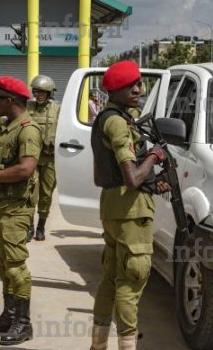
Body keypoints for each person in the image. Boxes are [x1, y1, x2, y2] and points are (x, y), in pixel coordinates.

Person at [88, 60, 170, 350]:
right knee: (131, 281)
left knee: (111, 280)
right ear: (114, 90)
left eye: (137, 84)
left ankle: (98, 346)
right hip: (130, 213)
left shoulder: (107, 118)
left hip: (113, 208)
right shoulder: (119, 123)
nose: (136, 89)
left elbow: (102, 177)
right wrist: (155, 157)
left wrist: (152, 183)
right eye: (128, 86)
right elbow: (132, 178)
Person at [0, 76, 41, 346]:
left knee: (15, 267)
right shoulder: (7, 128)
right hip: (0, 206)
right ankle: (9, 315)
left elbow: (26, 168)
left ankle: (23, 324)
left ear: (10, 101)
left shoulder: (27, 129)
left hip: (15, 209)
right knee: (1, 265)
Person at [26, 75, 60, 242]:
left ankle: (41, 226)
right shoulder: (28, 107)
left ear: (49, 93)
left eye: (42, 92)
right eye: (36, 91)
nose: (38, 94)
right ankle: (30, 226)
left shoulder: (57, 109)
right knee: (31, 191)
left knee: (46, 194)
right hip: (31, 156)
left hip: (50, 158)